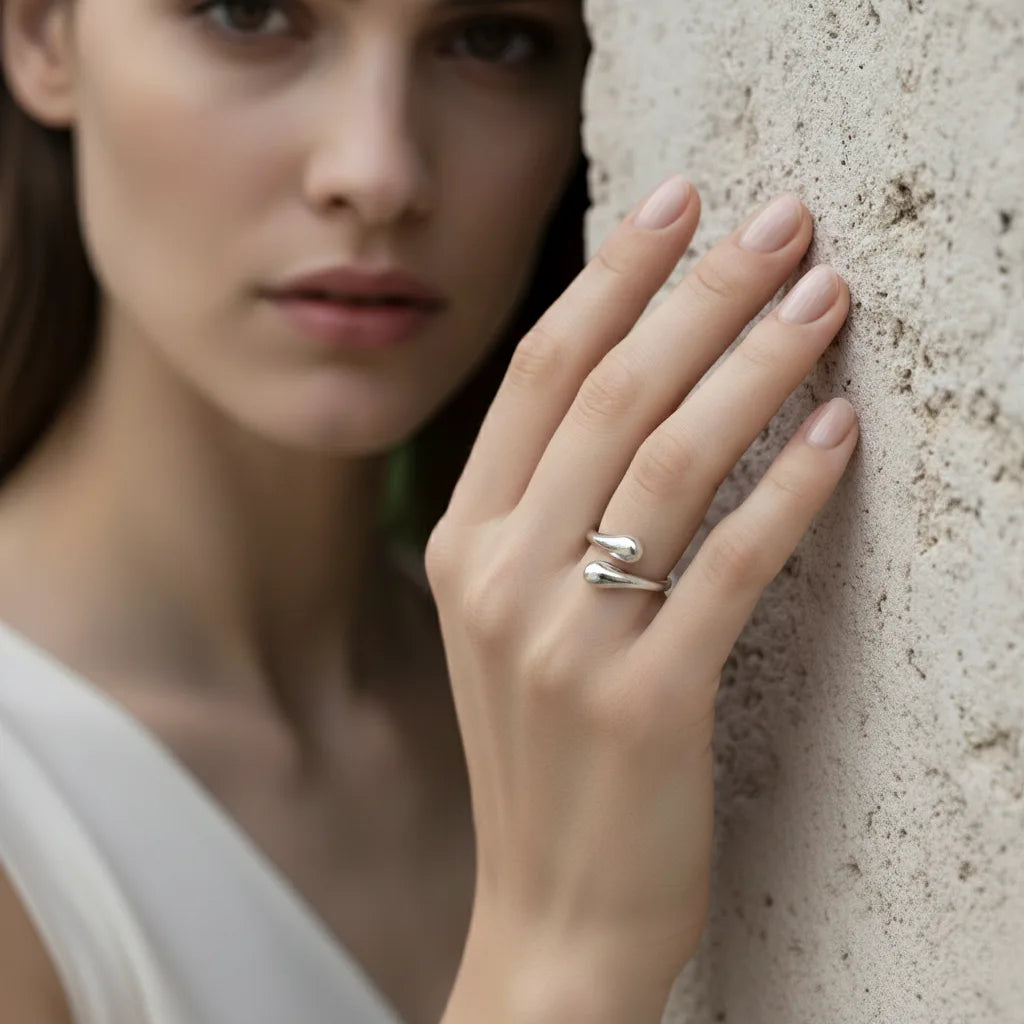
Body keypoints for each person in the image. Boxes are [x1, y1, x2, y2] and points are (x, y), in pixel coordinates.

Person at [0, 2, 859, 1023]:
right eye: (249, 14)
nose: (377, 172)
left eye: (491, 40)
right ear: (42, 32)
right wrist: (561, 958)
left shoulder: (581, 695)